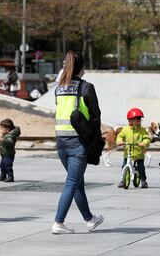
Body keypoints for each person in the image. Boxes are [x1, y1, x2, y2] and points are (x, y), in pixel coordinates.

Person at [52, 51, 103, 234]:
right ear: (82, 68)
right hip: (78, 143)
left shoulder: (59, 88)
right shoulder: (86, 87)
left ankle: (90, 219)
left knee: (77, 182)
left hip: (61, 143)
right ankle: (58, 222)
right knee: (72, 182)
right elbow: (96, 115)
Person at [116, 108, 151, 188]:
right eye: (137, 119)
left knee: (141, 167)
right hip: (128, 152)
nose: (139, 120)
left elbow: (146, 138)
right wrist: (120, 141)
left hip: (139, 153)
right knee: (124, 165)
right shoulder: (126, 130)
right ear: (130, 120)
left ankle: (143, 180)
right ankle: (123, 179)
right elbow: (120, 136)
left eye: (140, 119)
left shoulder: (142, 130)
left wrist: (144, 143)